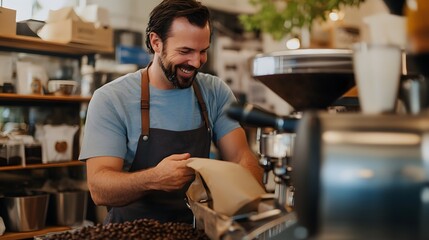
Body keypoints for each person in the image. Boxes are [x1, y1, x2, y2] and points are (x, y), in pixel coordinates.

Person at [79, 0, 263, 224]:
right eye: (185, 51)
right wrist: (153, 179)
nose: (196, 62)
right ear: (156, 42)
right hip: (130, 231)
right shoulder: (111, 99)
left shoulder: (214, 92)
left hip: (195, 228)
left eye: (202, 51)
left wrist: (253, 201)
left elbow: (241, 156)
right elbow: (99, 189)